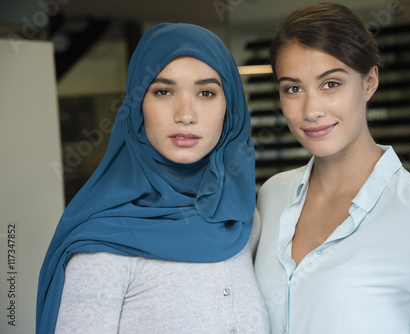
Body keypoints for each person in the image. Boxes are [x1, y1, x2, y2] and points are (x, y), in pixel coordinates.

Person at [254, 3, 410, 333]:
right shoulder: (272, 196)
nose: (310, 110)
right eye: (293, 89)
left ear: (369, 82)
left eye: (331, 84)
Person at [37, 23, 270, 334]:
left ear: (231, 110)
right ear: (137, 106)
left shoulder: (244, 221)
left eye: (206, 92)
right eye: (163, 91)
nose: (186, 114)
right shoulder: (102, 248)